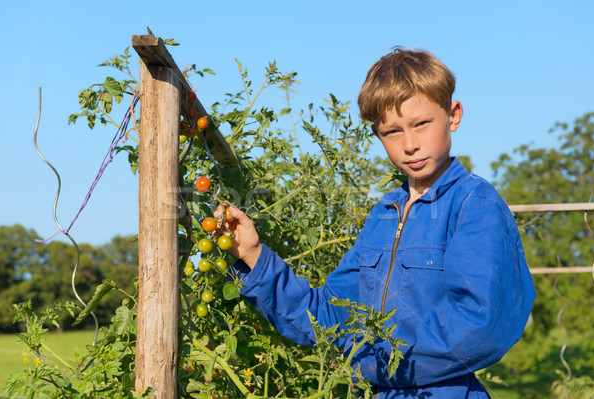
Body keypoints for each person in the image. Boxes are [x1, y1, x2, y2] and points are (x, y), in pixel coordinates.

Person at [221, 47, 536, 398]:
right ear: (377, 135)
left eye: (421, 124)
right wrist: (253, 256)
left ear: (453, 115)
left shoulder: (473, 203)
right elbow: (328, 315)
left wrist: (368, 358)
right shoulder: (383, 215)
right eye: (392, 132)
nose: (410, 144)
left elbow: (481, 326)